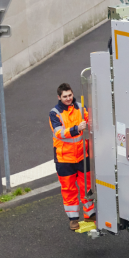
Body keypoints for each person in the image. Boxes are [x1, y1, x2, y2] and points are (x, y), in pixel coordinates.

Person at [49, 82, 94, 230]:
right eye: (65, 96)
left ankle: (90, 214)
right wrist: (76, 129)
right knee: (68, 189)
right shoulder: (54, 113)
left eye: (70, 95)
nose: (68, 98)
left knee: (87, 186)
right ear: (59, 97)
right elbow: (59, 132)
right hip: (64, 159)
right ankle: (73, 219)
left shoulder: (80, 108)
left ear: (72, 94)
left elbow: (90, 121)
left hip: (82, 155)